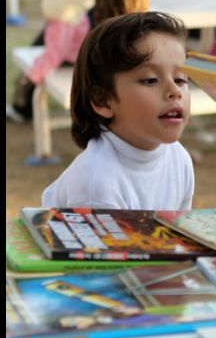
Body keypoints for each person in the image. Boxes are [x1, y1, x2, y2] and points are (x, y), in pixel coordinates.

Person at [41, 11, 195, 210]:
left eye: (181, 79)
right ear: (103, 100)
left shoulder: (178, 159)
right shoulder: (96, 184)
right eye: (150, 80)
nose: (174, 91)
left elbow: (178, 234)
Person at [6, 0, 95, 124]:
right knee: (55, 54)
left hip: (71, 8)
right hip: (64, 9)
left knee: (78, 42)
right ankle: (29, 79)